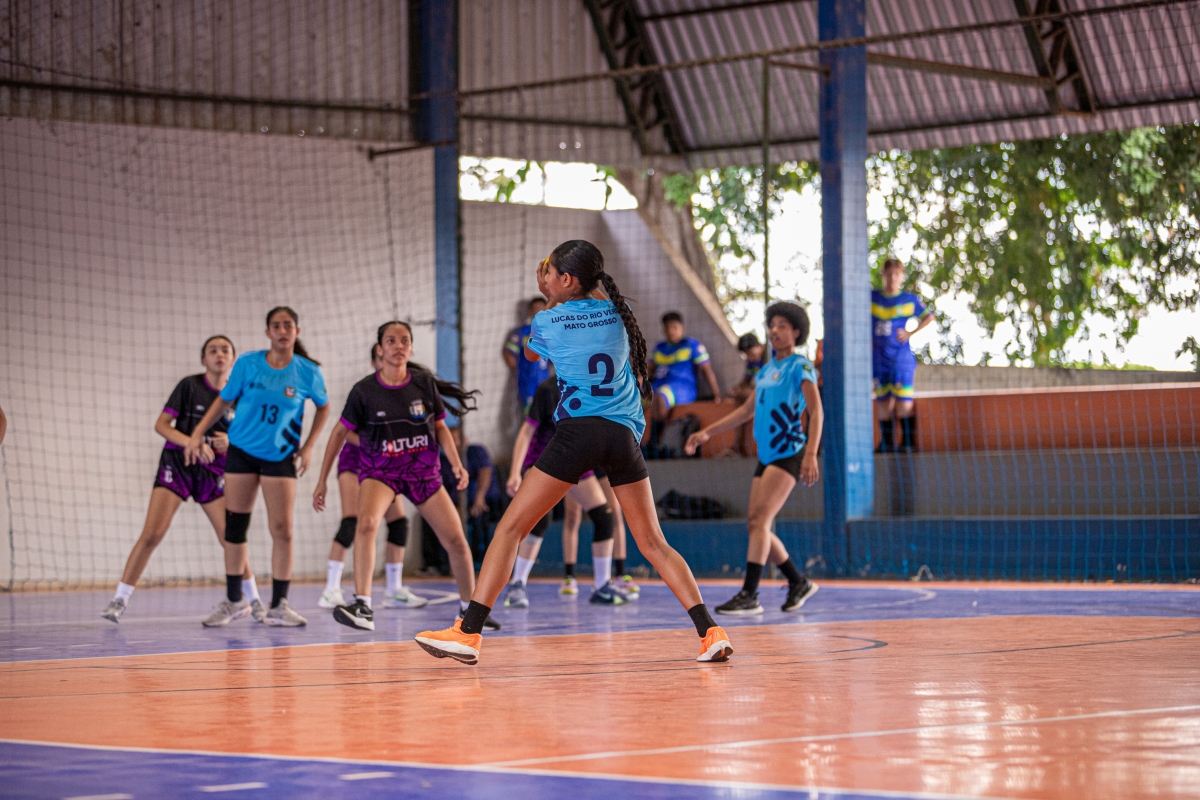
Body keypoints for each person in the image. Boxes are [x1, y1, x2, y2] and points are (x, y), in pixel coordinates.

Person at [415, 240, 731, 665]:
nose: (544, 278)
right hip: (622, 435)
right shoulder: (620, 312)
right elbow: (593, 311)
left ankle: (468, 632)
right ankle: (710, 632)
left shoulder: (548, 318)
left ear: (566, 279)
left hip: (577, 433)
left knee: (509, 530)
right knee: (653, 542)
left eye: (549, 272)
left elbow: (531, 354)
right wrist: (562, 293)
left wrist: (549, 301)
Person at [313, 321, 498, 633]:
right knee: (366, 523)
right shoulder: (364, 390)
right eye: (391, 340)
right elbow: (338, 433)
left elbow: (440, 426)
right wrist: (321, 481)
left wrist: (456, 463)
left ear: (411, 348)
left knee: (455, 539)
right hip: (381, 471)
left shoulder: (423, 383)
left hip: (422, 472)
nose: (398, 346)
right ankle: (363, 606)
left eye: (404, 340)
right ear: (380, 349)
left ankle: (471, 611)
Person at [101, 336, 264, 624]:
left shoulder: (240, 394)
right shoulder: (189, 386)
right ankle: (120, 600)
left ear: (233, 359)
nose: (219, 354)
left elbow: (250, 438)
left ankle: (253, 602)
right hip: (178, 464)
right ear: (203, 359)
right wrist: (192, 441)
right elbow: (161, 425)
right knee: (152, 533)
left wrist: (231, 442)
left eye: (225, 350)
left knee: (231, 538)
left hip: (213, 470)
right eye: (212, 350)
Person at [184, 307, 330, 627]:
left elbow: (324, 407)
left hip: (280, 456)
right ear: (268, 333)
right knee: (235, 526)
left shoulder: (308, 372)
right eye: (276, 326)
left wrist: (308, 447)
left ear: (296, 331)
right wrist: (197, 433)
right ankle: (235, 601)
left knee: (282, 529)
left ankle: (279, 605)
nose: (282, 330)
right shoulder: (248, 363)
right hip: (241, 452)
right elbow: (224, 400)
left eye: (288, 325)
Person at [685, 302, 823, 615]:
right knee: (755, 524)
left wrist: (811, 454)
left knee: (760, 521)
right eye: (772, 325)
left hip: (789, 452)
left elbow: (817, 411)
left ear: (796, 332)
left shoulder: (800, 367)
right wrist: (707, 432)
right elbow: (746, 411)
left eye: (782, 326)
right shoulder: (765, 372)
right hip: (767, 455)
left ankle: (750, 594)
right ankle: (797, 581)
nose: (774, 331)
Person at [500, 373, 633, 609]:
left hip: (576, 460)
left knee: (604, 516)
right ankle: (517, 584)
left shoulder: (589, 385)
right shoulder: (547, 389)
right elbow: (527, 431)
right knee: (539, 518)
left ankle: (602, 586)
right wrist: (515, 471)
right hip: (545, 459)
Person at [316, 345, 423, 611]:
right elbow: (343, 431)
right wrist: (373, 443)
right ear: (377, 359)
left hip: (384, 467)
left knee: (399, 523)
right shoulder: (365, 392)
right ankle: (331, 589)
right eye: (380, 356)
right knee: (351, 521)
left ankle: (394, 589)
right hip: (356, 463)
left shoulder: (404, 392)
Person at [873, 258, 934, 452]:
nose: (892, 278)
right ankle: (886, 443)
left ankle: (907, 443)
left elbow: (929, 316)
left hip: (901, 359)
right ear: (883, 276)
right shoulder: (871, 298)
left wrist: (910, 333)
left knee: (903, 399)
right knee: (883, 400)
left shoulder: (909, 299)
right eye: (889, 274)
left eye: (896, 274)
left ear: (902, 277)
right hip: (877, 360)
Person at [426, 426, 498, 574]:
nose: (455, 443)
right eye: (451, 439)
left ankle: (482, 564)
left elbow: (485, 472)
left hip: (480, 501)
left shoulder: (476, 451)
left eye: (457, 438)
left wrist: (479, 498)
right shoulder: (441, 461)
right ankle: (436, 566)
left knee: (479, 517)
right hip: (456, 505)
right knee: (430, 519)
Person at [649, 311, 721, 422]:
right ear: (663, 330)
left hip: (683, 387)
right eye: (667, 328)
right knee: (633, 398)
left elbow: (707, 370)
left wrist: (716, 396)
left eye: (674, 327)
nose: (671, 331)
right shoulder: (658, 348)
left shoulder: (692, 345)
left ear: (682, 328)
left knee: (660, 398)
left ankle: (659, 432)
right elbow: (647, 369)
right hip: (658, 385)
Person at [503, 296, 551, 412]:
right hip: (527, 382)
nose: (538, 311)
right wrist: (518, 370)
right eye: (535, 308)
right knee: (530, 413)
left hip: (544, 380)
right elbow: (508, 352)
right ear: (530, 311)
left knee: (546, 412)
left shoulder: (551, 333)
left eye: (541, 308)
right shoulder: (522, 332)